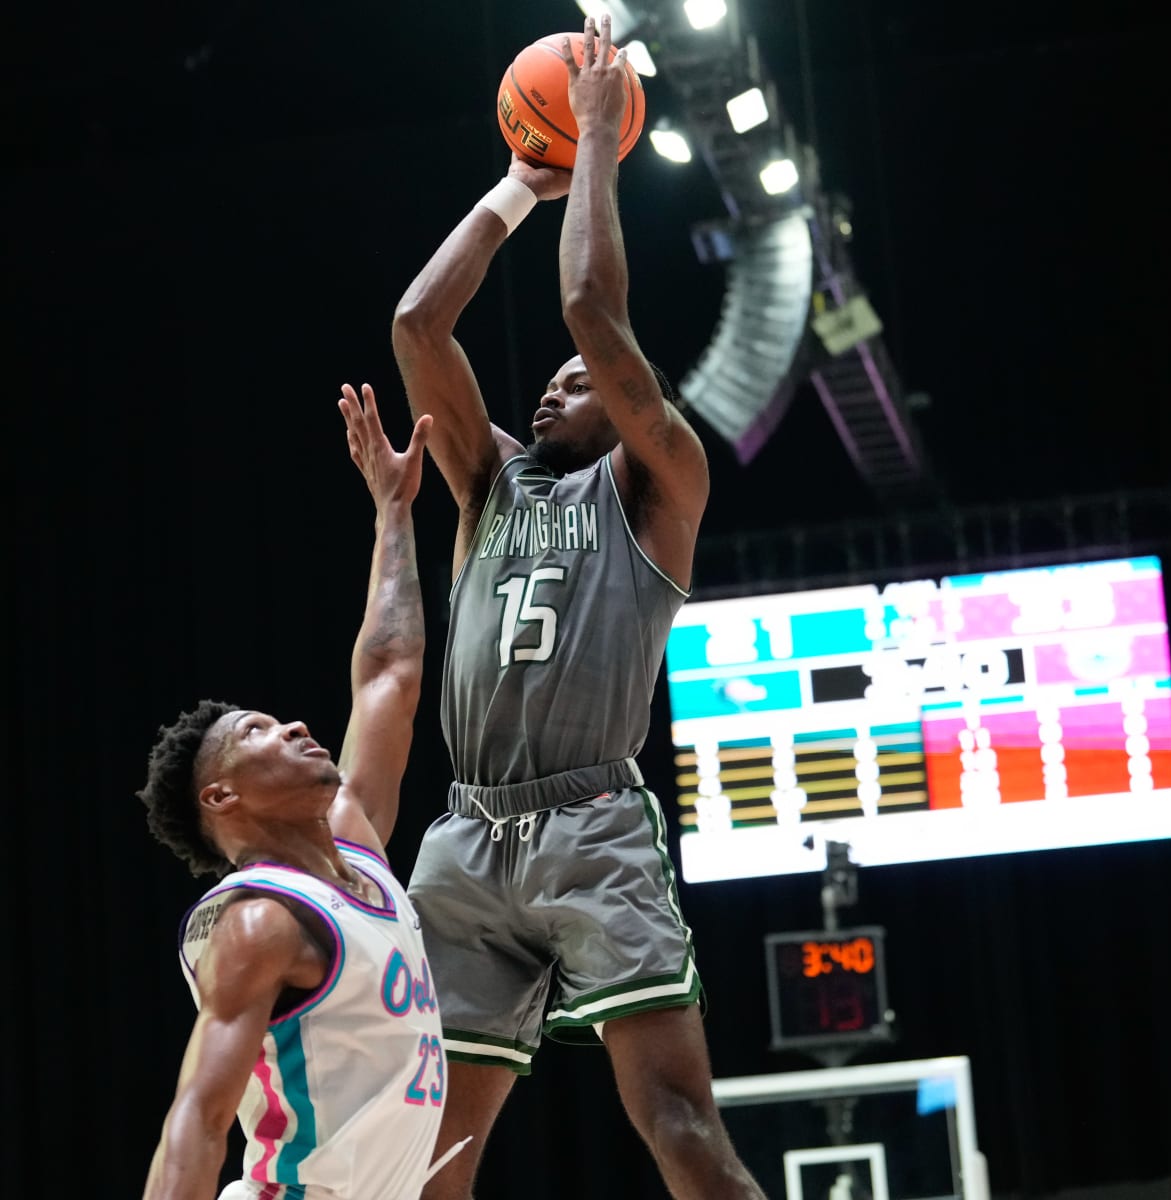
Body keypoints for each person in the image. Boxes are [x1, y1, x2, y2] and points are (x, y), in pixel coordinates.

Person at [390, 16, 764, 1200]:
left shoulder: (661, 484)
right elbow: (415, 327)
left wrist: (595, 140)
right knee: (430, 1150)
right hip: (463, 835)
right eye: (545, 386)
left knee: (678, 1127)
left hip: (591, 827)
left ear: (626, 402)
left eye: (578, 387)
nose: (555, 389)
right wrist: (513, 188)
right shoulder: (491, 483)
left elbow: (593, 318)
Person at [138, 389, 458, 1200]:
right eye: (258, 733)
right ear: (219, 798)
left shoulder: (356, 843)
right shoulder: (258, 922)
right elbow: (198, 1120)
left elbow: (391, 673)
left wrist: (394, 508)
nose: (295, 728)